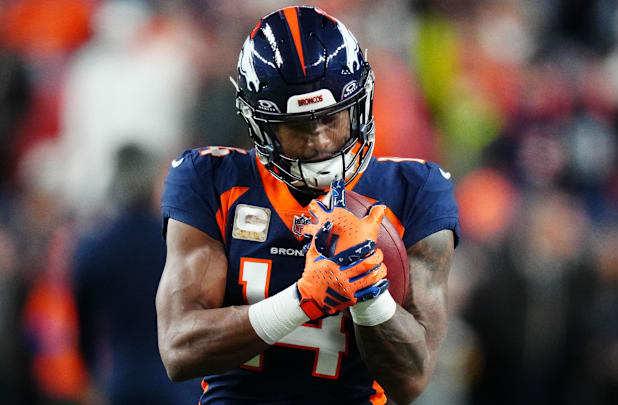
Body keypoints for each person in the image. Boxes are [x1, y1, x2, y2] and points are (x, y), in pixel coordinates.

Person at [156, 6, 459, 405]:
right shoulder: (210, 179)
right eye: (298, 127)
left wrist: (368, 290)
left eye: (331, 119)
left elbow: (411, 379)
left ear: (359, 105)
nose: (318, 141)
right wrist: (303, 299)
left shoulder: (415, 190)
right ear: (261, 124)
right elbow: (179, 350)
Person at [73, 144, 201, 404]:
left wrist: (91, 376)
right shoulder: (179, 244)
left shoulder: (96, 246)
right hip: (178, 382)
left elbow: (83, 324)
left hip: (124, 382)